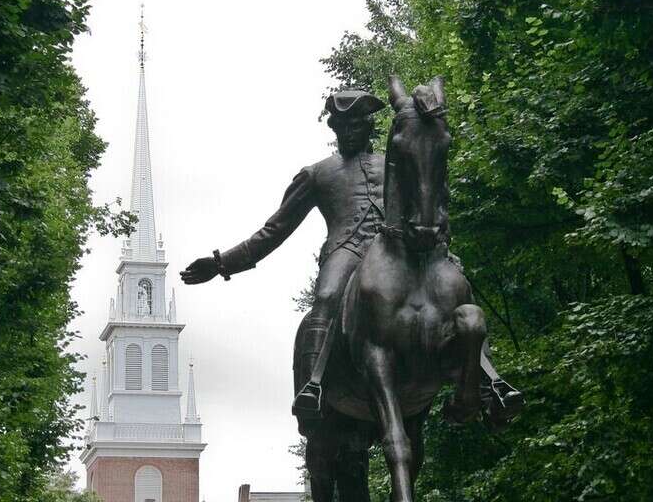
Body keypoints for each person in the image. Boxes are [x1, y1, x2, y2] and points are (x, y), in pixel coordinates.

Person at [180, 89, 521, 433]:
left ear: (370, 125)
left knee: (456, 286)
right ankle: (312, 387)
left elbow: (427, 193)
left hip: (400, 251)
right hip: (348, 249)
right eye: (345, 123)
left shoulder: (395, 160)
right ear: (334, 126)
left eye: (359, 122)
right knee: (327, 296)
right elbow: (273, 231)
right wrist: (222, 263)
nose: (353, 129)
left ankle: (488, 382)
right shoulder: (316, 174)